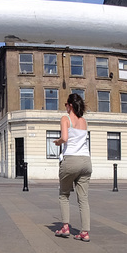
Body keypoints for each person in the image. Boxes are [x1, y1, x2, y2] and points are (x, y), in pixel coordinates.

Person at [53, 93, 92, 242]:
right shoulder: (84, 121)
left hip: (71, 159)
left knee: (64, 195)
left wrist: (58, 142)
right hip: (86, 161)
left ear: (69, 105)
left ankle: (65, 228)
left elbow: (65, 138)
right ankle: (85, 232)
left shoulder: (66, 118)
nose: (65, 108)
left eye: (65, 105)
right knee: (83, 199)